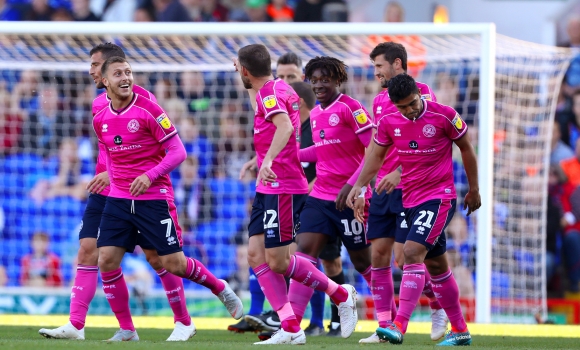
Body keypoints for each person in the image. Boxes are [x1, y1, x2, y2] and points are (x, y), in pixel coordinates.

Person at [38, 43, 199, 342]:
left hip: (138, 189)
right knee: (90, 249)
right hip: (107, 187)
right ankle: (78, 324)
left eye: (96, 65)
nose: (91, 70)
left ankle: (183, 320)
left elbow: (168, 150)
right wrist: (106, 173)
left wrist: (143, 176)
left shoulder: (145, 102)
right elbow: (106, 146)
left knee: (157, 258)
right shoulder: (98, 105)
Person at [91, 56, 243, 341]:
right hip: (119, 199)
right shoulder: (101, 118)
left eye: (128, 72)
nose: (125, 77)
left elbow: (178, 152)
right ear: (104, 81)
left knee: (171, 263)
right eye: (118, 73)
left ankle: (218, 288)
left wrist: (149, 175)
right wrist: (112, 179)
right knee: (107, 260)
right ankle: (127, 329)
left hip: (153, 197)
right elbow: (109, 154)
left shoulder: (150, 109)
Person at [234, 43, 358, 345]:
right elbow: (261, 112)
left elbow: (285, 128)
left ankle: (341, 293)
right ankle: (290, 325)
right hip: (268, 186)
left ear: (246, 71)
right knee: (255, 254)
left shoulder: (272, 93)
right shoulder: (272, 88)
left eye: (240, 69)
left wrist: (269, 160)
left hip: (283, 185)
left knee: (278, 261)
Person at [347, 73, 480, 346]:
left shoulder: (444, 116)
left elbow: (466, 148)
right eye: (402, 107)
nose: (409, 110)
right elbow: (376, 158)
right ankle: (461, 330)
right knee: (437, 265)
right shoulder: (388, 122)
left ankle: (399, 326)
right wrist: (359, 187)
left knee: (410, 253)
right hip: (409, 200)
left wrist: (474, 189)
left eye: (412, 103)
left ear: (420, 95)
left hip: (439, 198)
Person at [358, 42, 448, 344]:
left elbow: (430, 137)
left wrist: (399, 172)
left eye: (379, 66)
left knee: (403, 258)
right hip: (381, 188)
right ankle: (384, 325)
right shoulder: (380, 100)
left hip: (411, 186)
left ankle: (438, 306)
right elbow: (376, 147)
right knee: (378, 256)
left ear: (397, 64)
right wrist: (362, 185)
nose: (375, 72)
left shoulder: (421, 92)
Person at [284, 55, 373, 340]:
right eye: (315, 80)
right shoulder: (318, 113)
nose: (320, 84)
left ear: (337, 80)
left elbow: (373, 151)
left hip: (350, 199)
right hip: (321, 196)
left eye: (326, 79)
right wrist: (291, 155)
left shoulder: (352, 108)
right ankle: (293, 327)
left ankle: (390, 318)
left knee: (363, 264)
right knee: (304, 255)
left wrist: (353, 186)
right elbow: (322, 149)